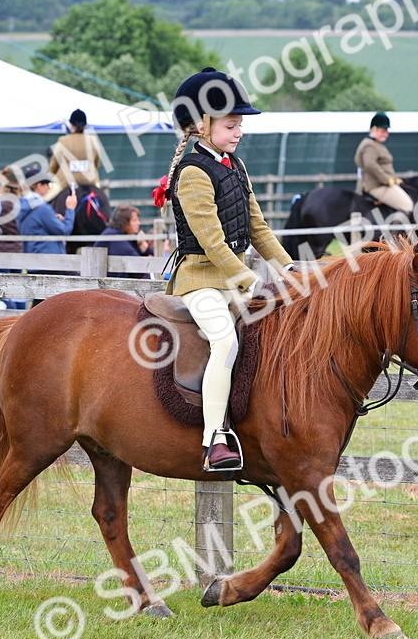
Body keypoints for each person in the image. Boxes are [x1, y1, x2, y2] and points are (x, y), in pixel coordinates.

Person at [157, 67, 294, 471]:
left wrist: (289, 268)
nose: (239, 132)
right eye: (232, 125)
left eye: (239, 125)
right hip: (199, 280)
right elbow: (213, 242)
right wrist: (251, 279)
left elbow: (257, 228)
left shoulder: (236, 166)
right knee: (226, 343)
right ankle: (214, 438)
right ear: (202, 125)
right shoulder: (194, 172)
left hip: (234, 277)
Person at [354, 112, 413, 213]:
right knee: (407, 205)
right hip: (376, 186)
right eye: (383, 131)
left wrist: (394, 179)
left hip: (383, 184)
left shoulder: (376, 144)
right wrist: (387, 180)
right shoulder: (369, 145)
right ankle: (396, 229)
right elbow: (370, 164)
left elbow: (384, 167)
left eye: (386, 131)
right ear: (374, 129)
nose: (385, 134)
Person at [98, 205, 152, 280]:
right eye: (134, 220)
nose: (138, 223)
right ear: (124, 222)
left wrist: (143, 246)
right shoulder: (114, 236)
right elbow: (139, 265)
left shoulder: (127, 236)